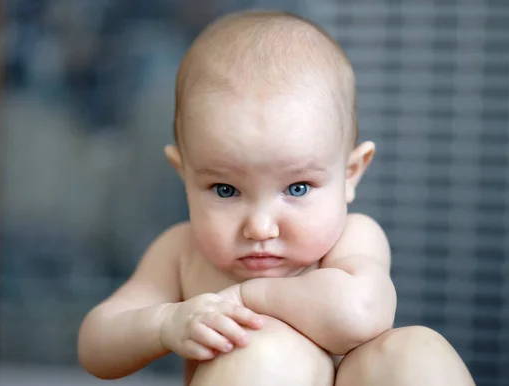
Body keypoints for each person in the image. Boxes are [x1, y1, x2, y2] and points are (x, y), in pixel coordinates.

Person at [78, 10, 476, 386]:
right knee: (264, 351)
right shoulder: (182, 251)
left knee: (413, 352)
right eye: (225, 190)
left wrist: (248, 296)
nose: (260, 227)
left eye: (297, 188)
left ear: (351, 174)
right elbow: (96, 344)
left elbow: (357, 315)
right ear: (184, 175)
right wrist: (165, 323)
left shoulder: (354, 239)